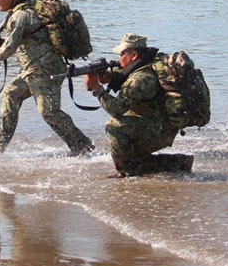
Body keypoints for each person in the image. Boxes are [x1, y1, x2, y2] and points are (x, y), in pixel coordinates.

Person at [0, 0, 94, 155]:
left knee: (49, 112)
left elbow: (9, 49)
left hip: (45, 70)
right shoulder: (24, 12)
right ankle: (0, 141)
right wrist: (1, 44)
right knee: (11, 93)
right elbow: (28, 39)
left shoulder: (20, 16)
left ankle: (82, 145)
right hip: (33, 69)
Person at [83, 33, 194, 177]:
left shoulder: (141, 79)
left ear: (134, 55)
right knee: (126, 130)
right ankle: (178, 162)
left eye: (122, 53)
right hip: (162, 123)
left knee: (114, 126)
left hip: (161, 130)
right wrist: (111, 77)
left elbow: (116, 109)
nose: (119, 58)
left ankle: (127, 171)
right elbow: (127, 76)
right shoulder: (150, 62)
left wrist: (97, 89)